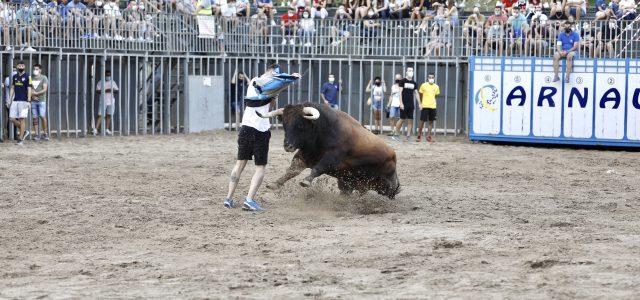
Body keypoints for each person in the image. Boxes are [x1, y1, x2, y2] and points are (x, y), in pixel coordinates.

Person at [223, 64, 301, 211]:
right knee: (260, 168)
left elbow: (268, 108)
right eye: (276, 74)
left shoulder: (258, 84)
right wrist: (289, 81)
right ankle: (249, 200)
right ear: (271, 72)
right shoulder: (257, 81)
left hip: (246, 128)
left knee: (239, 164)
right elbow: (265, 96)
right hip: (260, 131)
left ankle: (228, 199)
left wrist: (276, 96)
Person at [393, 67, 420, 142]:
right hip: (403, 104)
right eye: (409, 70)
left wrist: (420, 103)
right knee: (401, 119)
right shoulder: (402, 81)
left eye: (412, 70)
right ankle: (396, 135)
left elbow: (416, 93)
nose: (411, 72)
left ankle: (408, 136)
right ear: (406, 72)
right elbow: (400, 93)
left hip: (411, 104)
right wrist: (401, 103)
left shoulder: (414, 83)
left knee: (410, 120)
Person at [9, 61, 32, 145]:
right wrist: (9, 99)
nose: (21, 67)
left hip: (24, 101)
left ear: (24, 66)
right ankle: (25, 131)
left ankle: (21, 139)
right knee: (12, 118)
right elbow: (12, 88)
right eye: (19, 65)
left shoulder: (28, 76)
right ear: (17, 66)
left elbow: (29, 88)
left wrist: (29, 100)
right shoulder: (14, 76)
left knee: (22, 119)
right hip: (15, 100)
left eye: (22, 65)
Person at [93, 70, 119, 135]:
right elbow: (97, 91)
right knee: (100, 115)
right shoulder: (100, 82)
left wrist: (112, 90)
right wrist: (105, 90)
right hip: (103, 100)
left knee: (109, 115)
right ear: (104, 75)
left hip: (111, 101)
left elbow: (117, 91)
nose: (108, 76)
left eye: (109, 75)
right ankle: (96, 129)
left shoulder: (113, 82)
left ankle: (107, 129)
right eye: (107, 75)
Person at [417, 73, 439, 142]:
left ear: (434, 78)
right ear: (427, 78)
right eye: (430, 77)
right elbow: (420, 94)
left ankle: (428, 136)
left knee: (431, 122)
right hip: (425, 106)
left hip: (433, 106)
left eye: (432, 77)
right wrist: (421, 103)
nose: (431, 79)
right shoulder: (423, 85)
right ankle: (419, 135)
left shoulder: (436, 87)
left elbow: (435, 96)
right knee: (422, 121)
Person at [30, 63, 49, 141]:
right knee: (35, 117)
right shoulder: (31, 78)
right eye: (34, 69)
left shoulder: (44, 77)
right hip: (33, 101)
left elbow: (45, 89)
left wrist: (36, 94)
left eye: (37, 69)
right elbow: (29, 88)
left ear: (40, 70)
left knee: (42, 116)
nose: (35, 70)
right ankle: (37, 134)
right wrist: (32, 96)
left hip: (41, 101)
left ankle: (45, 133)